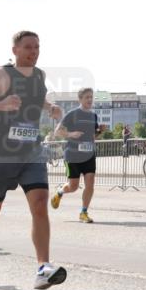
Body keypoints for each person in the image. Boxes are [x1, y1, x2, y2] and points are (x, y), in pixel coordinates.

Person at [0, 30, 68, 289]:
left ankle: (43, 268)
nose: (34, 51)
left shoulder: (39, 76)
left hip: (32, 151)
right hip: (2, 153)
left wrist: (50, 108)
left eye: (37, 47)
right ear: (15, 50)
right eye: (28, 47)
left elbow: (37, 99)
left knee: (40, 204)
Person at [50, 87, 105, 223]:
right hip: (73, 155)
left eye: (91, 97)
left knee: (90, 183)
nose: (90, 100)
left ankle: (83, 212)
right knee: (73, 186)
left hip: (88, 154)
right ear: (80, 99)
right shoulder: (72, 114)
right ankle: (60, 192)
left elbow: (93, 136)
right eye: (87, 97)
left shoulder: (93, 116)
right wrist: (70, 134)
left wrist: (101, 131)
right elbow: (57, 132)